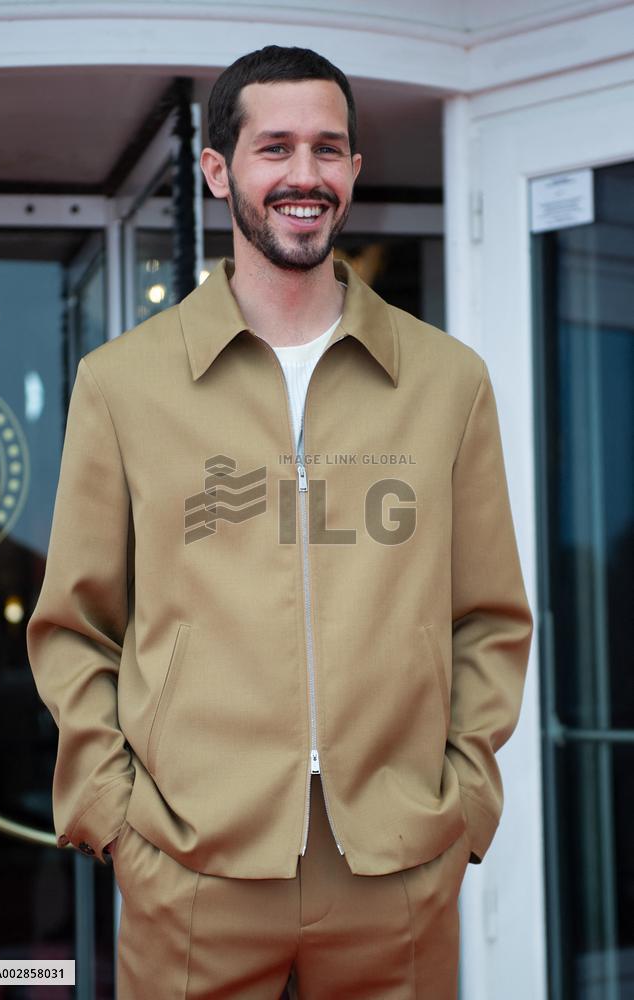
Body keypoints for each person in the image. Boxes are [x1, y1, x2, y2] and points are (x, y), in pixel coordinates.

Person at [26, 45, 533, 1000]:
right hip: (191, 863)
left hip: (395, 862)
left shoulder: (446, 381)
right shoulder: (123, 386)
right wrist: (117, 820)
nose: (305, 175)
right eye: (276, 148)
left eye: (329, 149)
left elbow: (490, 619)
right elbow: (73, 629)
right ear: (219, 171)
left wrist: (462, 803)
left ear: (352, 171)